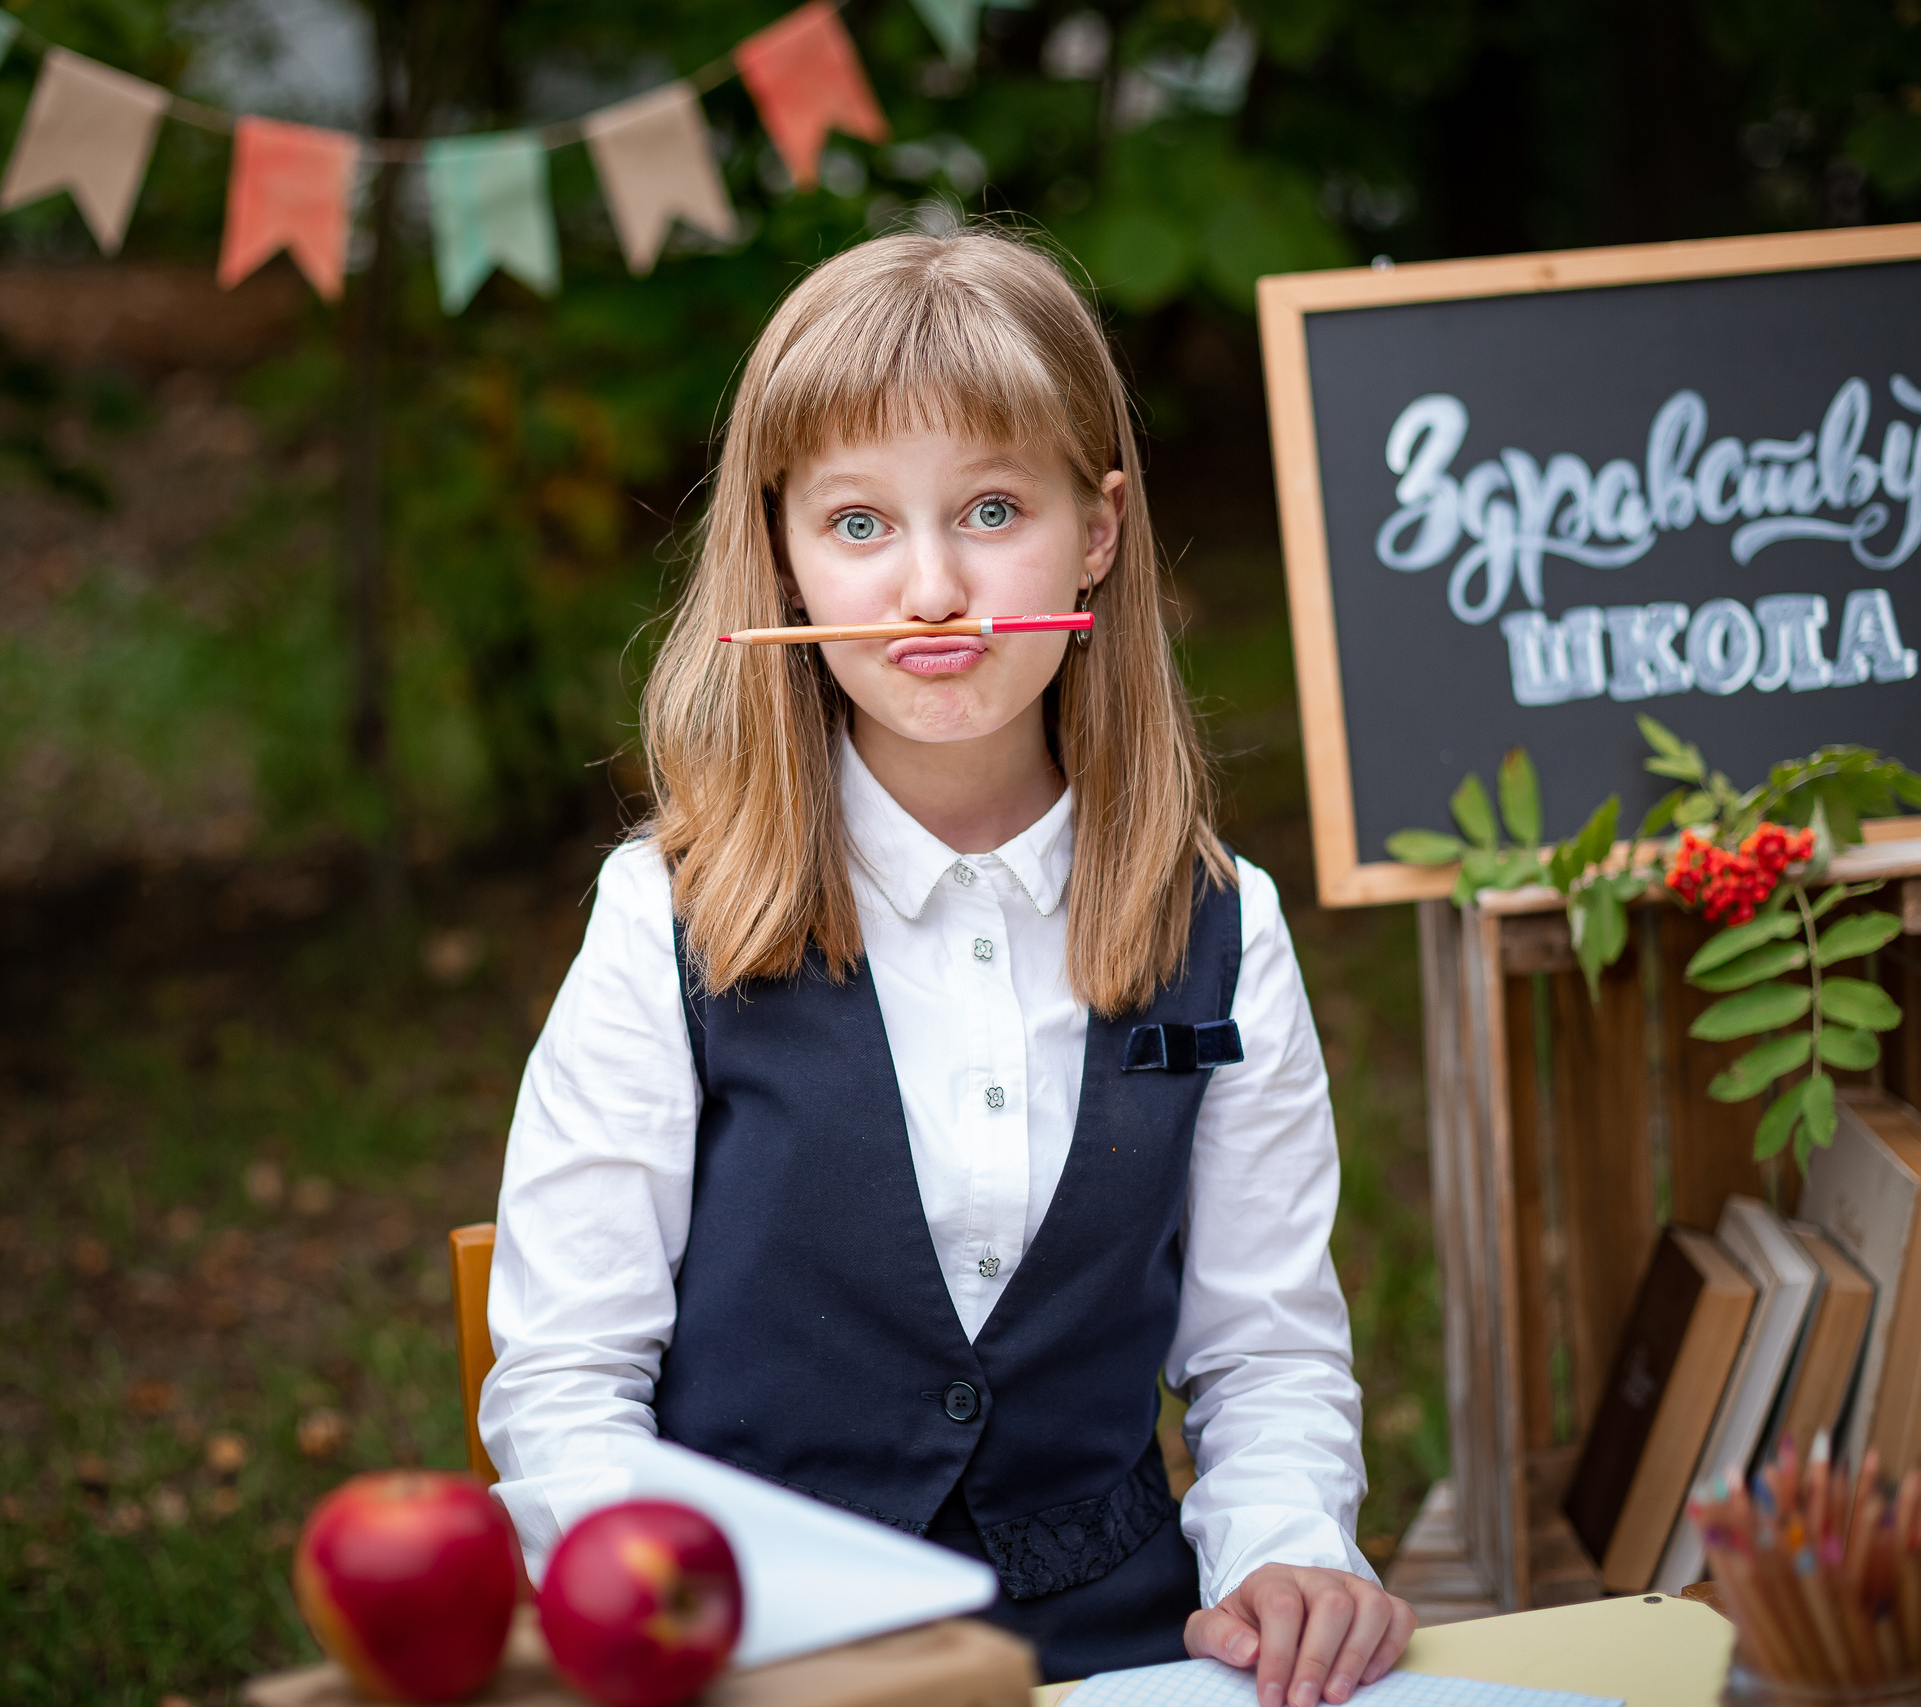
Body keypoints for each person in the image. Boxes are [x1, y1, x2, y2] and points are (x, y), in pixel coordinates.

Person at [481, 226, 1413, 1706]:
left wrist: (1287, 1553)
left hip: (1117, 1656)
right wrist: (661, 1611)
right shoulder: (660, 920)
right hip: (750, 1656)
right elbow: (566, 1384)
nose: (932, 591)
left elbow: (1268, 1356)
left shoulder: (1226, 932)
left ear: (1095, 532)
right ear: (781, 545)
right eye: (859, 526)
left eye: (992, 509)